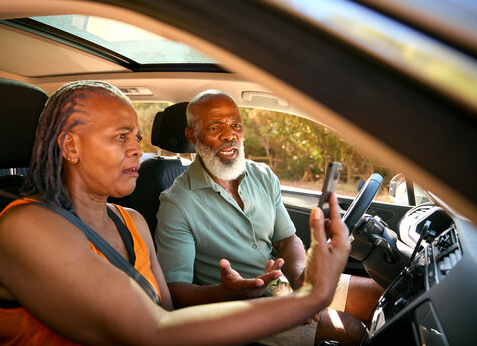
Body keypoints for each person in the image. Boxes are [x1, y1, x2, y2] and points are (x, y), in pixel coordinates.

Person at [0, 80, 351, 345]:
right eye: (121, 136)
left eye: (137, 138)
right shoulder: (26, 226)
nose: (137, 150)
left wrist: (228, 293)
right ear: (70, 147)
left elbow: (170, 313)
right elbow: (153, 332)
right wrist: (312, 296)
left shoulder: (132, 221)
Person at [155, 89, 384, 345]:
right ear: (191, 136)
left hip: (284, 282)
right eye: (215, 127)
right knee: (353, 331)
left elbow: (287, 240)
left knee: (382, 296)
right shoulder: (176, 203)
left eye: (235, 125)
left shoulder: (262, 175)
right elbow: (175, 291)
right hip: (241, 310)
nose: (229, 135)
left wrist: (300, 281)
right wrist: (227, 292)